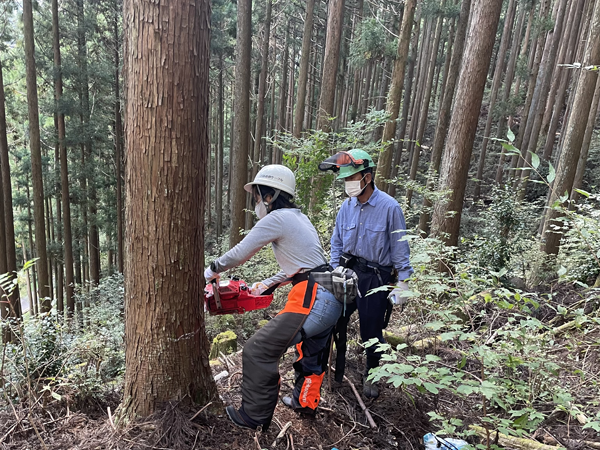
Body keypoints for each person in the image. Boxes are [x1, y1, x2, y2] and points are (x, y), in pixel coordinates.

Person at [204, 164, 342, 431]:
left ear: (269, 196)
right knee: (310, 353)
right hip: (328, 294)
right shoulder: (298, 217)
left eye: (257, 196)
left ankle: (254, 417)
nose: (256, 203)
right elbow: (307, 263)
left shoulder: (277, 218)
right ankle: (305, 402)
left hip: (315, 296)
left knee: (259, 350)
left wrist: (211, 270)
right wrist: (268, 283)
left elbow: (241, 252)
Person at [318, 149, 413, 399]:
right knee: (334, 319)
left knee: (371, 331)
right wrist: (334, 266)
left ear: (367, 177)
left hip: (375, 276)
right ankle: (332, 369)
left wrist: (403, 280)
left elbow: (399, 246)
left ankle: (372, 373)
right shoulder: (346, 208)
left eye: (353, 178)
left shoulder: (390, 207)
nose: (348, 185)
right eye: (346, 180)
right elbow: (336, 240)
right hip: (347, 272)